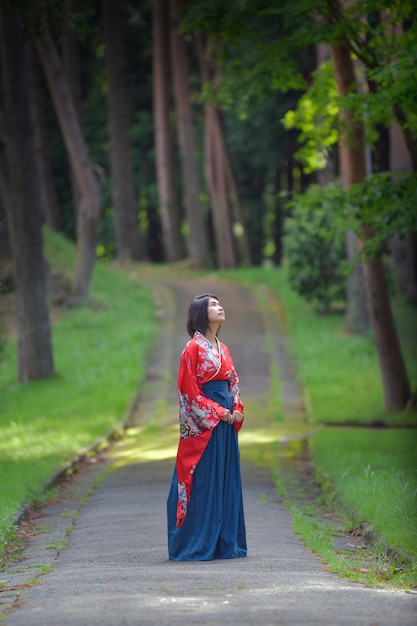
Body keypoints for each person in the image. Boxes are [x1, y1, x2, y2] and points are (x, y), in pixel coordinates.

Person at [167, 293, 247, 561]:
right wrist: (218, 412)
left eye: (219, 303)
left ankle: (226, 544)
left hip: (225, 421)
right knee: (205, 480)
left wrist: (236, 409)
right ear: (200, 314)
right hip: (207, 425)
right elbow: (188, 391)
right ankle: (197, 543)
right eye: (213, 304)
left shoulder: (222, 349)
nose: (220, 306)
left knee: (226, 481)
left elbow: (233, 382)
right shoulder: (192, 349)